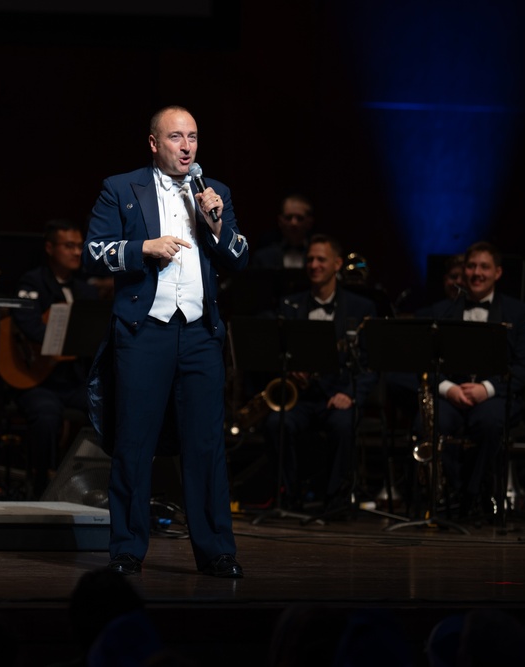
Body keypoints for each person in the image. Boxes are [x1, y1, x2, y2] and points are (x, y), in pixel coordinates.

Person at [82, 105, 248, 578]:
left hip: (199, 334)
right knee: (135, 443)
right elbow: (94, 254)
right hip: (144, 332)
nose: (187, 145)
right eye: (176, 137)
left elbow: (238, 259)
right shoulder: (121, 188)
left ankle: (217, 550)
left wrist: (214, 222)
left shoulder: (215, 193)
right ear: (155, 143)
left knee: (205, 445)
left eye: (193, 136)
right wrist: (142, 249)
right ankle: (127, 551)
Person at [417, 241, 525, 521]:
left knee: (488, 422)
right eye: (471, 266)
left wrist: (486, 389)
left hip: (496, 396)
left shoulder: (518, 312)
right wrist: (448, 389)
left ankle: (472, 497)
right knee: (429, 420)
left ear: (497, 273)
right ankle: (451, 496)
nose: (476, 273)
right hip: (452, 395)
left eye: (484, 267)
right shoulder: (442, 310)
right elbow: (423, 360)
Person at [262, 233, 378, 510]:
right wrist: (289, 371)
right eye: (310, 259)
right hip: (300, 399)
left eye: (321, 260)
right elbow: (276, 353)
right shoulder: (290, 305)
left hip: (337, 397)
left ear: (337, 264)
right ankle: (288, 498)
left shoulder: (362, 308)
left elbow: (369, 363)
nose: (313, 265)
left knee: (342, 424)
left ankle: (335, 501)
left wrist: (350, 395)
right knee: (276, 424)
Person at [11, 218, 100, 497]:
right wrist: (67, 340)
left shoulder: (86, 290)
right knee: (46, 414)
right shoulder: (32, 282)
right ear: (50, 248)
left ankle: (93, 481)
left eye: (79, 246)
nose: (76, 252)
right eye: (69, 246)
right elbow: (28, 324)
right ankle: (43, 484)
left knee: (108, 407)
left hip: (74, 380)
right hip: (37, 380)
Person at [249, 193, 314, 270]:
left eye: (300, 218)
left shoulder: (318, 256)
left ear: (309, 222)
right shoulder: (263, 257)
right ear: (280, 221)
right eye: (288, 218)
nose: (294, 223)